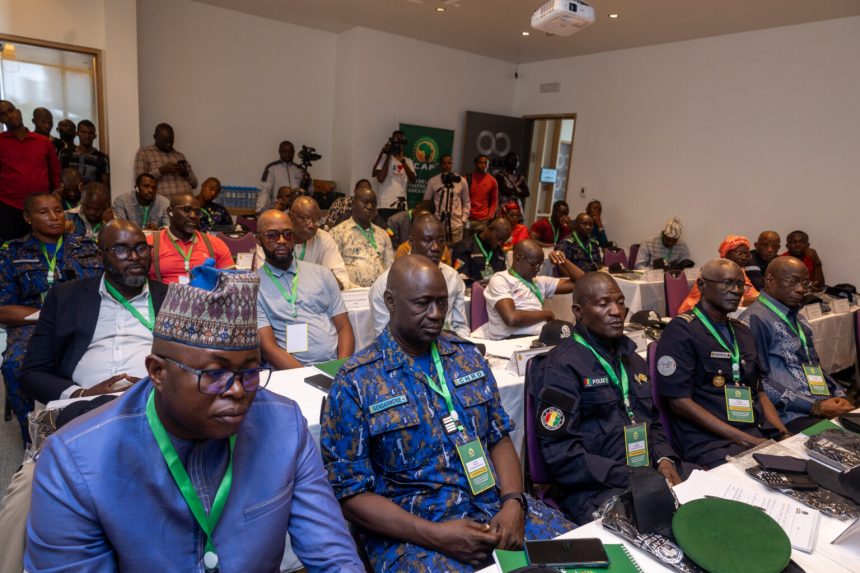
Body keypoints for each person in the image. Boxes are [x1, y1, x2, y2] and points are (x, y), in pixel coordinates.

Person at [26, 265, 364, 572]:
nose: (237, 390)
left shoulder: (284, 424)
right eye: (214, 374)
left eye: (250, 372)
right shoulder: (77, 461)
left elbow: (332, 554)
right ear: (157, 372)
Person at [321, 256, 572, 572]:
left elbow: (498, 436)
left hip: (495, 509)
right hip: (413, 533)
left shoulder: (467, 356)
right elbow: (351, 495)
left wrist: (513, 502)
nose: (436, 314)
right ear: (390, 302)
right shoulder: (357, 381)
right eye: (423, 303)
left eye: (442, 302)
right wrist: (435, 535)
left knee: (584, 558)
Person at [531, 273, 682, 521]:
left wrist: (664, 458)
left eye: (620, 302)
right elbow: (562, 455)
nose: (616, 311)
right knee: (663, 526)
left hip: (647, 472)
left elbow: (652, 421)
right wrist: (631, 475)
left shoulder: (632, 359)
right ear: (578, 312)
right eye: (603, 304)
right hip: (595, 488)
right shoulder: (560, 368)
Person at [655, 259, 790, 468]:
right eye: (727, 283)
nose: (736, 291)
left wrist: (783, 434)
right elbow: (679, 403)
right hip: (711, 442)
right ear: (702, 285)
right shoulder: (681, 331)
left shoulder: (742, 331)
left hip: (755, 431)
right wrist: (744, 440)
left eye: (740, 284)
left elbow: (760, 392)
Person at [21, 219, 168, 403]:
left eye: (141, 248)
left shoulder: (171, 298)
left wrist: (156, 389)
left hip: (154, 401)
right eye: (121, 249)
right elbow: (33, 371)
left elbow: (191, 366)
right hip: (84, 405)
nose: (134, 257)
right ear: (100, 256)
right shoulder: (66, 297)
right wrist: (80, 394)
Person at [0, 193, 102, 443]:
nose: (54, 217)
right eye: (43, 212)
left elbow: (102, 292)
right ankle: (32, 437)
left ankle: (91, 428)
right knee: (14, 364)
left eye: (58, 210)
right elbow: (3, 308)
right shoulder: (12, 252)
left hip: (82, 321)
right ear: (28, 218)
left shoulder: (88, 247)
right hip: (32, 326)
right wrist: (47, 316)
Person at [740, 257, 854, 432]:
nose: (801, 289)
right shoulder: (754, 320)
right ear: (769, 280)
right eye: (792, 281)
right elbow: (758, 382)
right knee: (848, 444)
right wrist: (814, 406)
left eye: (805, 283)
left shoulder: (798, 318)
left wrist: (838, 394)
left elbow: (813, 364)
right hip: (791, 415)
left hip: (822, 403)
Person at [256, 209, 354, 368]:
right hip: (290, 374)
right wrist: (306, 376)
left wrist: (340, 369)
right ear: (259, 240)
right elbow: (268, 347)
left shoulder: (323, 274)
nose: (282, 240)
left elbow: (344, 328)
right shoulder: (254, 286)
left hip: (334, 368)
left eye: (288, 234)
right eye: (272, 235)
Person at [371, 213, 469, 339]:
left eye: (441, 241)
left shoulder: (453, 277)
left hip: (449, 345)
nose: (436, 247)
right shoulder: (385, 283)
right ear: (411, 242)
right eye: (427, 240)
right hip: (406, 349)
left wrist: (457, 347)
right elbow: (384, 336)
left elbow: (461, 326)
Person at [483, 239, 584, 340]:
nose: (538, 269)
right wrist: (546, 314)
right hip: (513, 338)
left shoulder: (539, 281)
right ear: (518, 258)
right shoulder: (501, 279)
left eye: (540, 265)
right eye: (534, 264)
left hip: (539, 337)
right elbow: (511, 318)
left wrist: (562, 260)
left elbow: (583, 282)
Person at [254, 195, 351, 289]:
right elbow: (265, 280)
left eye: (317, 220)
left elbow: (342, 281)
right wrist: (322, 279)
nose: (312, 225)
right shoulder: (271, 239)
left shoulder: (324, 238)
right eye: (306, 219)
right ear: (291, 216)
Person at [0, 100, 61, 243]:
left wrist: (57, 191)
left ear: (19, 112)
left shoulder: (43, 141)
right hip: (10, 206)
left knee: (44, 245)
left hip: (41, 206)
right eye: (3, 114)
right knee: (12, 247)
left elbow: (55, 170)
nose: (9, 116)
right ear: (1, 120)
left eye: (11, 111)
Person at [146, 193, 234, 284]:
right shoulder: (150, 243)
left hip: (205, 292)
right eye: (186, 210)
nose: (193, 216)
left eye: (197, 212)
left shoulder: (215, 244)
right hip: (163, 292)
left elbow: (231, 283)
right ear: (170, 212)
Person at [678, 235, 759, 314]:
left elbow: (752, 294)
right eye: (739, 253)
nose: (744, 257)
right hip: (695, 311)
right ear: (726, 254)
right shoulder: (715, 271)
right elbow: (727, 298)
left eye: (746, 254)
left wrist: (761, 298)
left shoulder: (740, 272)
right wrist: (760, 299)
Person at [330, 186, 394, 288]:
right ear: (353, 204)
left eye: (373, 203)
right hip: (350, 292)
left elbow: (390, 268)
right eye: (365, 202)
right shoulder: (338, 233)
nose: (370, 206)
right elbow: (333, 270)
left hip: (378, 292)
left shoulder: (383, 234)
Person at [133, 122, 198, 198]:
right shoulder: (144, 153)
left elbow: (195, 184)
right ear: (155, 137)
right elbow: (139, 183)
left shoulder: (180, 156)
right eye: (165, 141)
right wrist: (161, 170)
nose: (168, 144)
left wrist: (186, 174)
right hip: (164, 203)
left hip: (187, 201)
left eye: (171, 141)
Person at [451, 217, 511, 287]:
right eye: (499, 238)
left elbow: (503, 278)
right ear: (490, 229)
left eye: (503, 241)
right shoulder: (465, 247)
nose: (499, 243)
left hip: (495, 291)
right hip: (471, 291)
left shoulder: (500, 253)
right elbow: (462, 279)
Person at [423, 153, 470, 243]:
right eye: (444, 163)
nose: (447, 165)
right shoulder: (433, 181)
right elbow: (426, 201)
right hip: (438, 223)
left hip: (456, 224)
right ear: (440, 165)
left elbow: (466, 202)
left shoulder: (461, 181)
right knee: (438, 248)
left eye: (449, 163)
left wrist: (463, 220)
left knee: (455, 249)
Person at [256, 141, 314, 213]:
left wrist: (308, 182)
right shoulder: (271, 168)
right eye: (284, 151)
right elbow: (265, 191)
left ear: (294, 153)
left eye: (290, 152)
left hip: (297, 211)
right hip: (279, 210)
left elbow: (310, 193)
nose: (287, 154)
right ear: (279, 152)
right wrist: (260, 209)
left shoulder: (300, 169)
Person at [372, 130, 416, 220]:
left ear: (403, 144)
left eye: (400, 142)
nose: (397, 145)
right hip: (385, 205)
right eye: (395, 141)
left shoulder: (408, 161)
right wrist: (388, 155)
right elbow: (380, 179)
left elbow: (413, 180)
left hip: (401, 205)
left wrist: (402, 161)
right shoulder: (383, 158)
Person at [58, 119, 110, 186]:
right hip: (68, 191)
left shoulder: (102, 158)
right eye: (83, 132)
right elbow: (58, 177)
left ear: (95, 136)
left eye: (90, 133)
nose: (87, 136)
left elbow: (105, 186)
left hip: (92, 192)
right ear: (77, 133)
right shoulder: (65, 153)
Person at [468, 154, 499, 223]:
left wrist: (490, 215)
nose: (483, 165)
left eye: (485, 163)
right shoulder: (468, 178)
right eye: (480, 163)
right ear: (476, 164)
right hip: (468, 217)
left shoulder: (492, 181)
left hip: (483, 218)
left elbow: (494, 201)